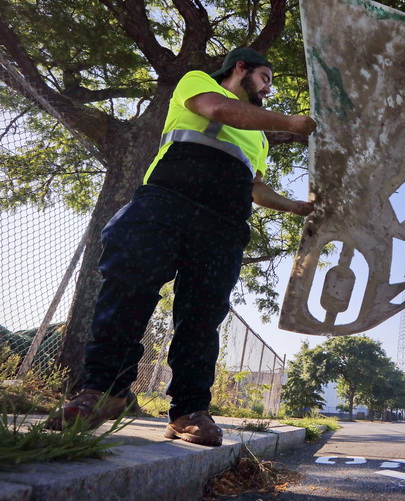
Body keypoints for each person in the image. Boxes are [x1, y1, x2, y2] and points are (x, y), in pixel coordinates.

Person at [45, 47, 317, 446]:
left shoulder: (257, 136)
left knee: (202, 315)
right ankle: (104, 392)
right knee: (127, 290)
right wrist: (293, 123)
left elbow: (256, 188)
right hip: (164, 203)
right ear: (240, 68)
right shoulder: (199, 82)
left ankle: (188, 411)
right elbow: (218, 110)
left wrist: (295, 206)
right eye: (265, 78)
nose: (267, 88)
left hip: (223, 224)